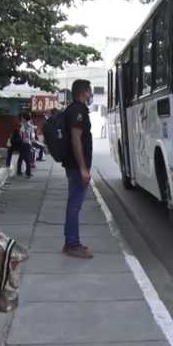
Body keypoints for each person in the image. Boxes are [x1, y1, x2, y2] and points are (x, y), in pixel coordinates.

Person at [61, 79, 94, 259]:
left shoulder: (76, 109)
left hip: (75, 165)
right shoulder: (77, 111)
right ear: (83, 92)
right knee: (74, 205)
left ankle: (71, 242)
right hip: (76, 167)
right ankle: (72, 244)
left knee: (74, 204)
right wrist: (83, 168)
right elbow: (76, 139)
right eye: (89, 91)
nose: (91, 94)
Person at [17, 113, 34, 178]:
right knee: (23, 158)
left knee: (25, 158)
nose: (21, 119)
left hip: (25, 143)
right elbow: (31, 136)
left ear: (24, 118)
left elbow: (23, 135)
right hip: (26, 143)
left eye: (22, 117)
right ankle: (26, 172)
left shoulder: (25, 125)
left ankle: (25, 172)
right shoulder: (28, 125)